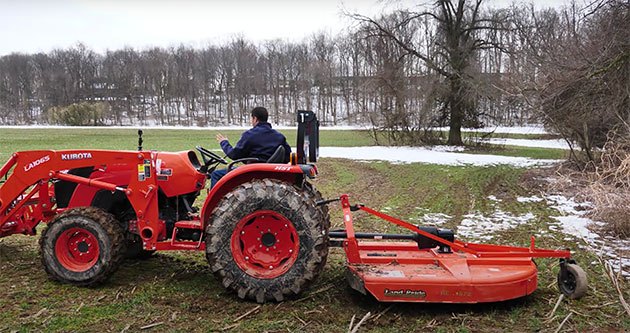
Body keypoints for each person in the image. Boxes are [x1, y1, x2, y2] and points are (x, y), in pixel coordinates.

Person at [210, 106, 291, 188]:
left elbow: (234, 155)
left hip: (251, 173)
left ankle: (216, 201)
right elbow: (288, 156)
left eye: (251, 119)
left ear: (255, 118)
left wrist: (224, 142)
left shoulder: (250, 135)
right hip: (271, 173)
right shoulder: (279, 137)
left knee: (216, 174)